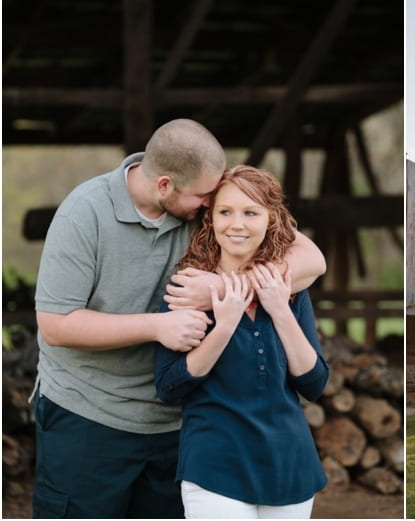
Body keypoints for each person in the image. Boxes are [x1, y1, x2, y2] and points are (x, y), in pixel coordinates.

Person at [32, 119, 326, 519]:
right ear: (165, 186)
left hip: (175, 422)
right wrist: (157, 326)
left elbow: (311, 258)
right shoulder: (83, 216)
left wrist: (224, 287)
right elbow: (55, 325)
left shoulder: (207, 209)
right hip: (91, 413)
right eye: (204, 198)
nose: (211, 207)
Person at [154, 165, 328, 519]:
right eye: (226, 212)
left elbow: (314, 384)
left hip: (290, 466)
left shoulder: (291, 289)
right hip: (214, 467)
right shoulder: (188, 290)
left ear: (270, 220)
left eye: (251, 213)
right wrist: (224, 324)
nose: (237, 224)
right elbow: (169, 387)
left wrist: (279, 310)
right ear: (211, 219)